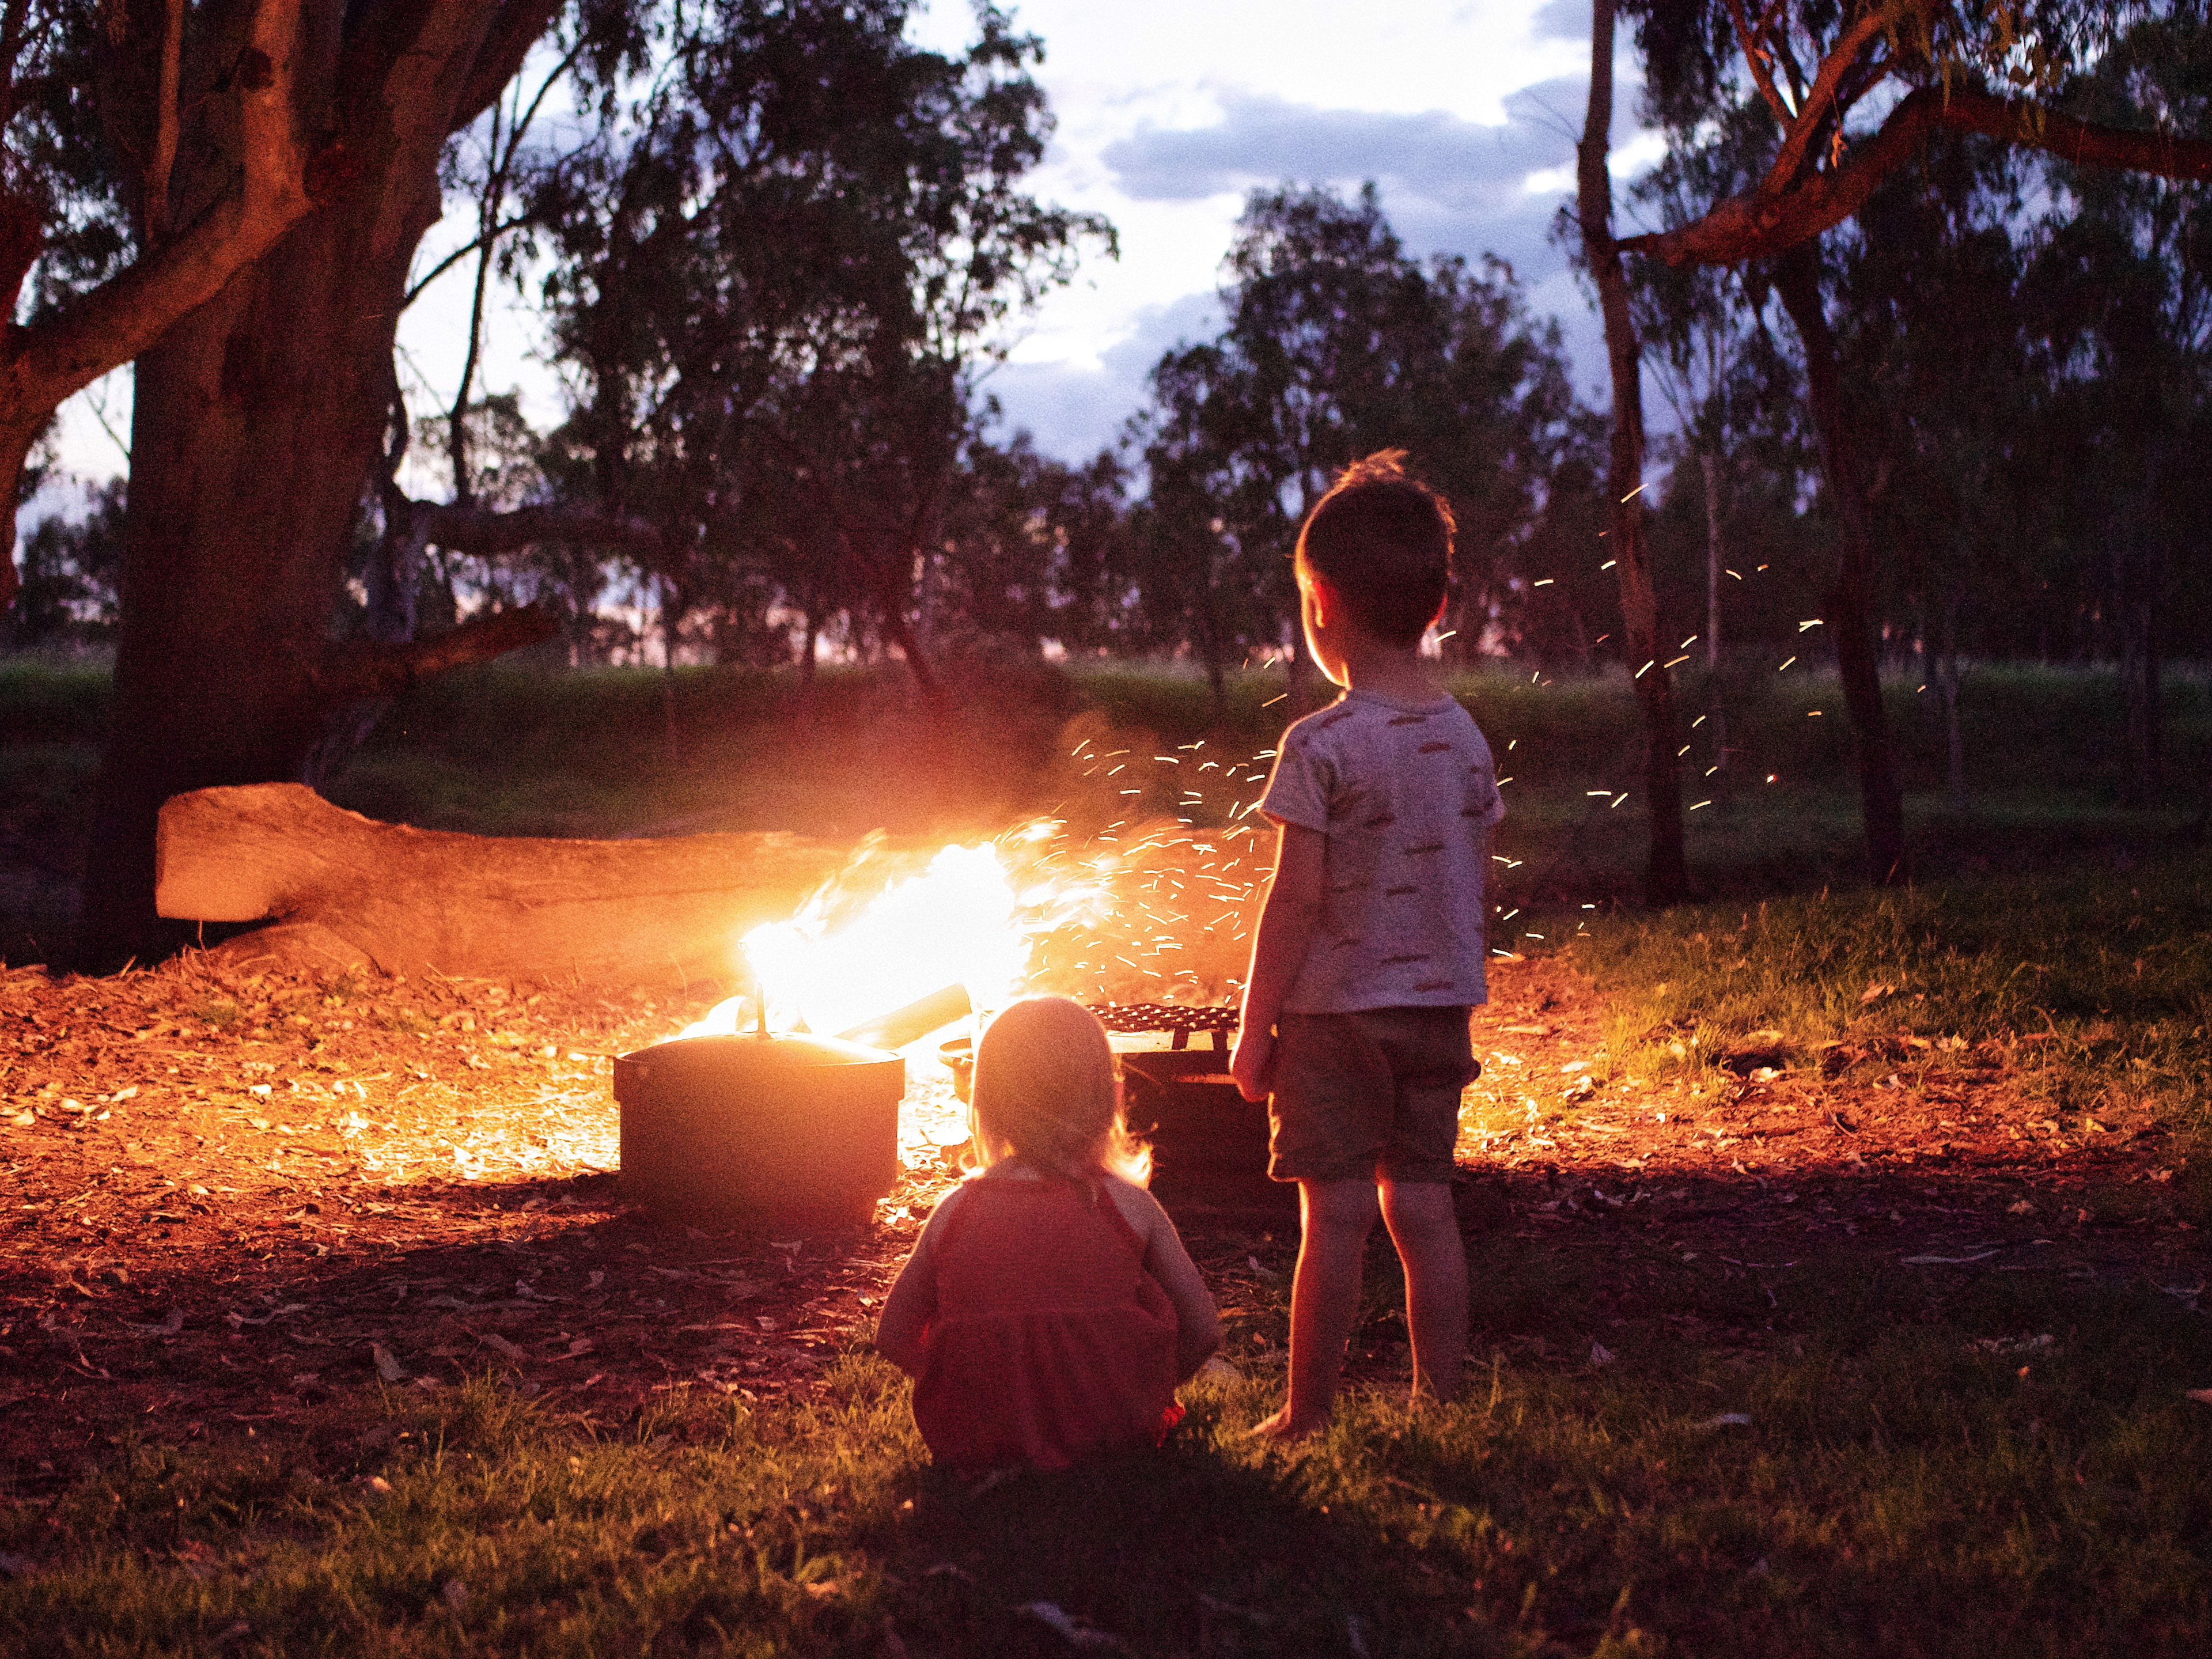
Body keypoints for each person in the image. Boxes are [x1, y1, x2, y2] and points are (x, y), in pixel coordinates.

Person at [1230, 450, 1504, 1440]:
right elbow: (1475, 874)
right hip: (1438, 1015)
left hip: (1335, 1019)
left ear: (1321, 605)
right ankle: (1441, 1403)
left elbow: (1292, 903)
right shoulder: (1467, 740)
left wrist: (1254, 1026)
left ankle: (1307, 1414)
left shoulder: (1320, 744)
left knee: (1335, 1216)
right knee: (1425, 1211)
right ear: (1438, 607)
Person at [876, 995, 1223, 1469]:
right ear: (1108, 1097)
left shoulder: (956, 1211)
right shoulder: (1129, 1207)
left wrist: (960, 1380)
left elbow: (893, 1335)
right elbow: (1203, 1330)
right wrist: (1142, 1389)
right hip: (1116, 1436)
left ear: (985, 1102)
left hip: (977, 1442)